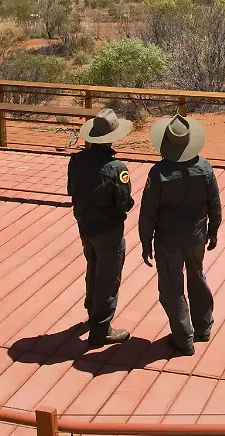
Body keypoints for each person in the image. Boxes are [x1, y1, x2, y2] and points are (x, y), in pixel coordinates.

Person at [139, 114, 222, 356]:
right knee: (197, 277)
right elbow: (214, 204)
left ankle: (184, 338)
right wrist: (213, 230)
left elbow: (148, 212)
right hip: (196, 235)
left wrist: (146, 242)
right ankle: (203, 327)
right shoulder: (204, 167)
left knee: (171, 286)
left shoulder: (158, 173)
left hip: (168, 239)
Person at [67, 108, 135, 348]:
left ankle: (91, 309)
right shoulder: (118, 168)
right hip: (109, 231)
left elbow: (71, 191)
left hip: (85, 225)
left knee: (93, 267)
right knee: (108, 277)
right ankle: (101, 328)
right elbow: (124, 203)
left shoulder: (76, 160)